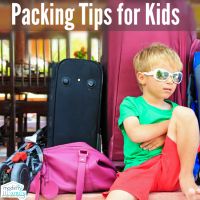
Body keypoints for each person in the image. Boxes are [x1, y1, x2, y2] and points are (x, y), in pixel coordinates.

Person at [105, 43, 200, 200]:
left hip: (172, 169)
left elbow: (192, 143)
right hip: (139, 170)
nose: (171, 82)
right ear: (142, 78)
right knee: (116, 197)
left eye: (176, 76)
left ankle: (187, 178)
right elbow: (136, 134)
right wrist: (169, 126)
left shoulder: (178, 112)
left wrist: (167, 137)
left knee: (186, 113)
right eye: (162, 75)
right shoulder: (131, 104)